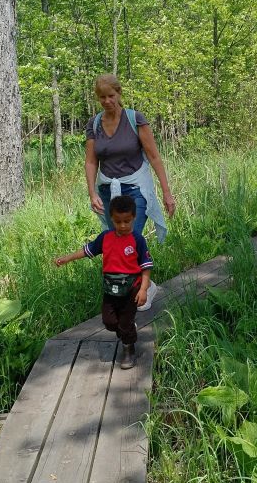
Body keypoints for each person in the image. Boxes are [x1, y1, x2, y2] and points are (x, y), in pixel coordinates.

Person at [85, 73, 176, 311]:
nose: (107, 101)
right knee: (116, 244)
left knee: (130, 237)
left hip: (136, 187)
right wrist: (92, 192)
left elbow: (154, 156)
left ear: (119, 94)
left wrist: (167, 193)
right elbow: (91, 162)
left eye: (111, 96)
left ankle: (144, 288)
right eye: (102, 97)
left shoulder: (135, 119)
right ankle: (132, 292)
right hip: (108, 190)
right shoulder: (94, 124)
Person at [54, 195, 152, 370]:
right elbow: (88, 250)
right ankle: (127, 329)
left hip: (131, 288)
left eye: (127, 221)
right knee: (109, 321)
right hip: (110, 288)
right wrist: (67, 258)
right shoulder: (106, 238)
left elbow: (145, 267)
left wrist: (143, 289)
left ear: (134, 218)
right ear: (111, 219)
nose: (122, 226)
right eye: (118, 221)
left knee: (124, 323)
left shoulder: (137, 240)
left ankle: (129, 350)